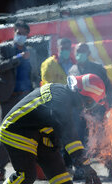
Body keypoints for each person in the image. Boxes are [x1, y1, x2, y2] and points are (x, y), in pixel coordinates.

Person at [0, 73, 104, 184]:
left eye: (90, 104)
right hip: (17, 130)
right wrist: (83, 163)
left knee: (59, 172)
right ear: (78, 92)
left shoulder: (64, 98)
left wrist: (81, 162)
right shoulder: (59, 98)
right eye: (87, 101)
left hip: (38, 134)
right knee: (26, 175)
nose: (85, 106)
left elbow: (60, 127)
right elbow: (68, 132)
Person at [0, 19, 40, 183]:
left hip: (25, 96)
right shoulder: (3, 48)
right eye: (19, 33)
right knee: (4, 132)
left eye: (24, 34)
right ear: (14, 32)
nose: (21, 36)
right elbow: (1, 66)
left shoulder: (30, 51)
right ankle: (1, 170)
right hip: (8, 97)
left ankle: (27, 168)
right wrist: (18, 57)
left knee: (27, 132)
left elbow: (35, 74)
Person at [69, 43, 112, 181]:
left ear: (88, 52)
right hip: (79, 113)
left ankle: (111, 168)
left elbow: (108, 89)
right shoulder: (72, 70)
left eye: (83, 51)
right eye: (78, 51)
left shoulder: (98, 69)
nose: (80, 53)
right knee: (80, 141)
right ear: (74, 52)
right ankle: (80, 170)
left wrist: (110, 106)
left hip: (98, 110)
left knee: (104, 139)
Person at [40, 38, 74, 172]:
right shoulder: (49, 64)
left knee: (69, 136)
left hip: (70, 105)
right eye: (63, 47)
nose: (65, 50)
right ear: (57, 48)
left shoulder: (73, 63)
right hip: (55, 106)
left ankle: (68, 165)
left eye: (68, 47)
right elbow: (47, 85)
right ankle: (56, 167)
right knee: (55, 137)